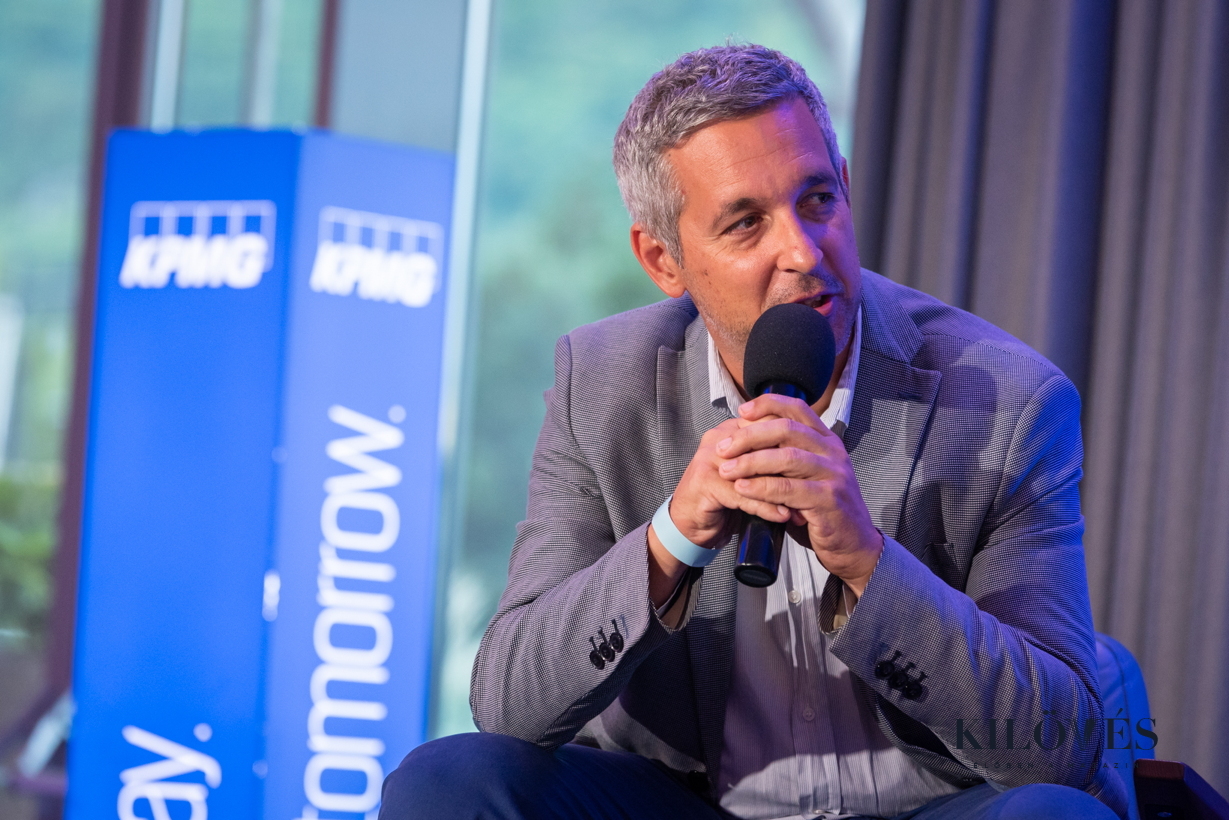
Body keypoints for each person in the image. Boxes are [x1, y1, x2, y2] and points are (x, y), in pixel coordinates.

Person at [381, 44, 1129, 820]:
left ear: (845, 186)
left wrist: (868, 562)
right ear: (663, 259)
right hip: (692, 806)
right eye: (745, 224)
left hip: (930, 809)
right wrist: (670, 539)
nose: (803, 252)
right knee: (449, 783)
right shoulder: (600, 386)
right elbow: (510, 703)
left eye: (816, 200)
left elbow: (1059, 746)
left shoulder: (1008, 402)